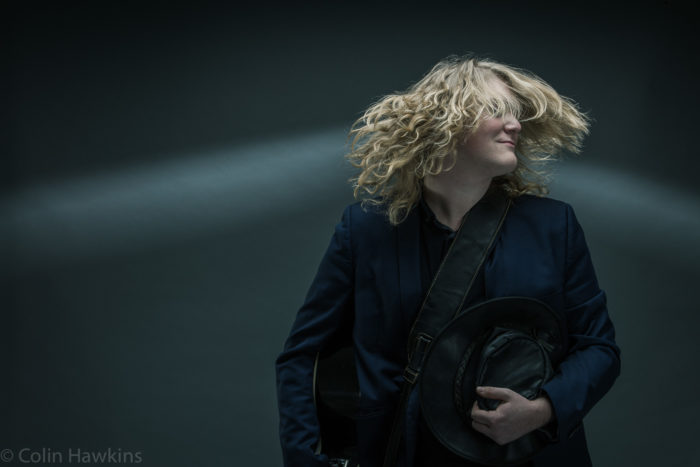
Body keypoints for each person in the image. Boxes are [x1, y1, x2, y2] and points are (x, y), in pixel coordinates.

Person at [275, 55, 620, 467]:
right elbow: (303, 354)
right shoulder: (366, 229)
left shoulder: (552, 225)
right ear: (445, 123)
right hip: (402, 453)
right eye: (495, 111)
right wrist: (303, 459)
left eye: (516, 114)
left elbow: (598, 347)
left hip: (528, 454)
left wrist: (541, 410)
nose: (514, 125)